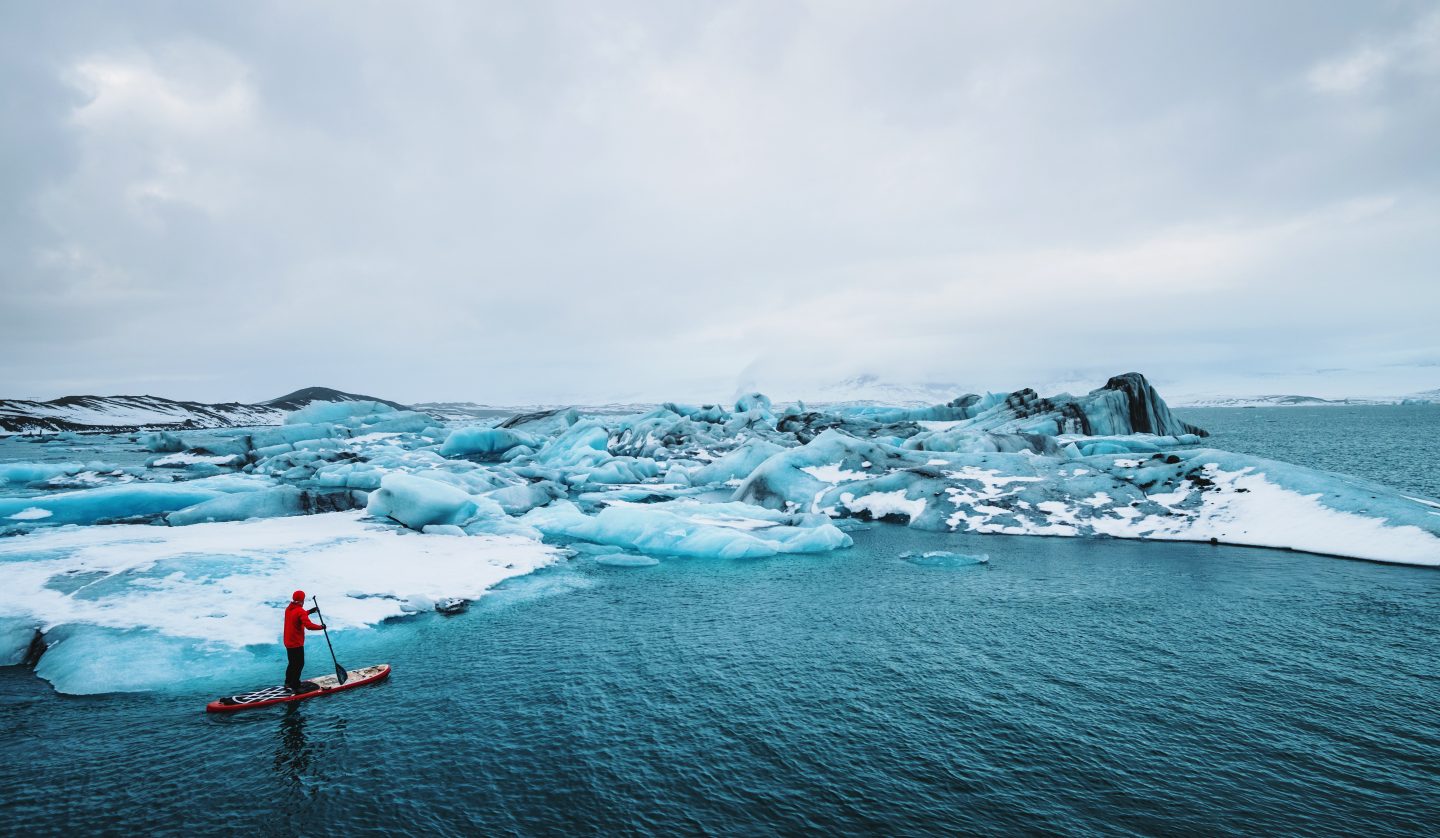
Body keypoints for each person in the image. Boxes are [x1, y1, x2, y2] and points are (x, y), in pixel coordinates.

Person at [283, 590, 326, 693]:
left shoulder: (288, 609)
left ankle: (288, 682)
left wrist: (309, 612)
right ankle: (295, 686)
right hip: (296, 643)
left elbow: (297, 615)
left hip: (288, 642)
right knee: (299, 664)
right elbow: (309, 626)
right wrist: (321, 627)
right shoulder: (300, 611)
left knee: (292, 663)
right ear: (302, 600)